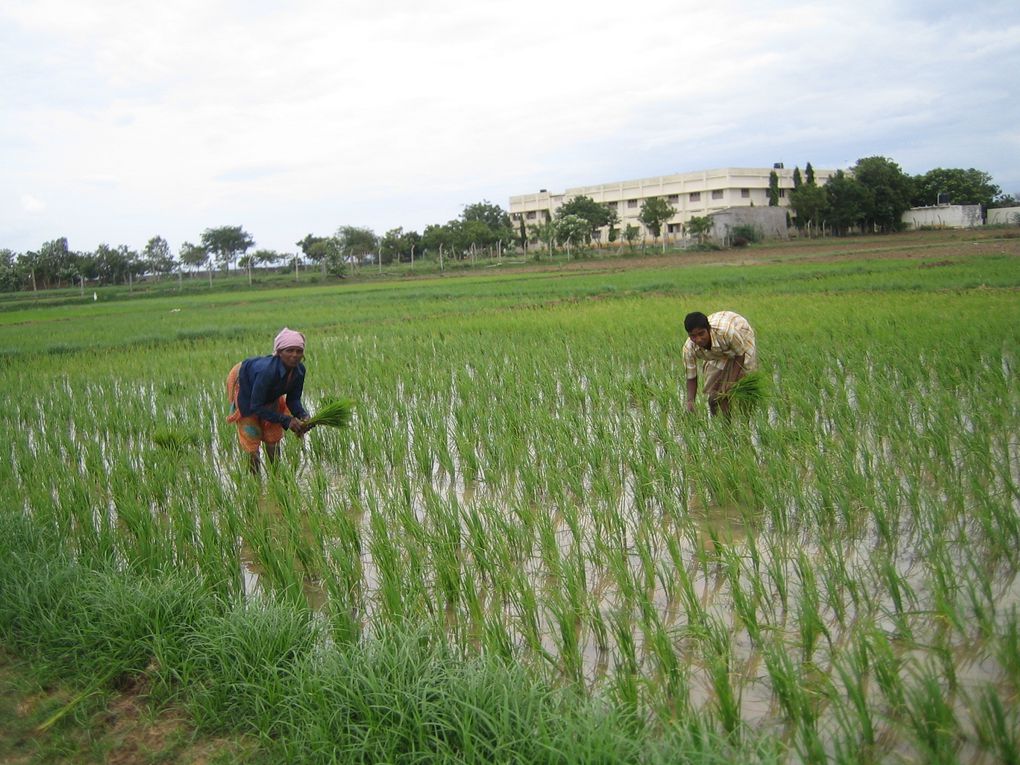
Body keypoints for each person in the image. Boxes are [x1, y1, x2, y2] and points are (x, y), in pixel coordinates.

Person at [226, 327, 312, 473]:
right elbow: (256, 406)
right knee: (252, 436)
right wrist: (287, 420)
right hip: (246, 388)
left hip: (269, 395)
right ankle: (255, 482)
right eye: (289, 350)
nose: (294, 355)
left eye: (298, 351)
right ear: (279, 353)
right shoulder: (267, 371)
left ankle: (276, 477)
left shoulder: (299, 371)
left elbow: (293, 400)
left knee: (273, 436)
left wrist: (304, 416)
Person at [682, 310, 758, 417]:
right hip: (718, 349)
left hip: (740, 332)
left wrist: (730, 383)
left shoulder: (727, 333)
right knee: (715, 394)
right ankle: (723, 425)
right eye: (693, 336)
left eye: (701, 334)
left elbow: (740, 355)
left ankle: (747, 418)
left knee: (743, 378)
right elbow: (691, 376)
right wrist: (690, 401)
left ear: (708, 329)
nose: (698, 339)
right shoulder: (689, 349)